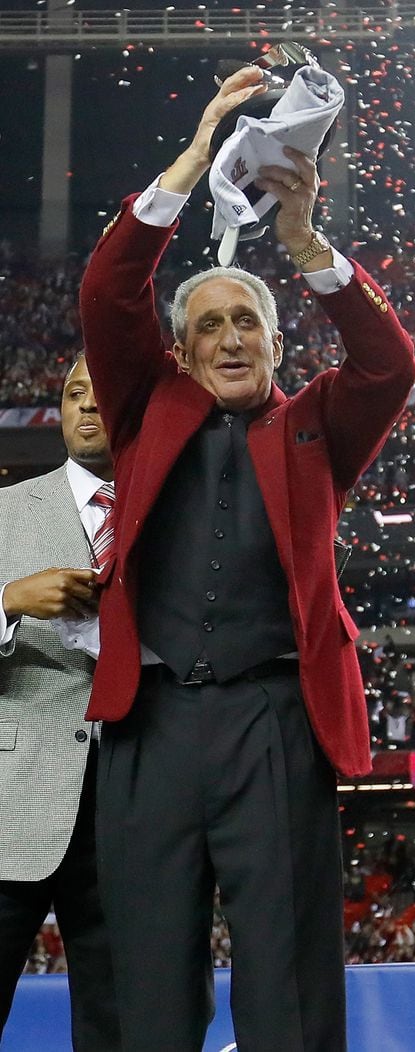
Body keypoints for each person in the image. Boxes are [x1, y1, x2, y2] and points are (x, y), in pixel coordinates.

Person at [79, 65, 415, 1051]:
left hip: (276, 720)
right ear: (179, 350)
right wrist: (196, 152)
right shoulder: (146, 405)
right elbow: (110, 287)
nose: (230, 336)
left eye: (248, 322)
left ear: (276, 342)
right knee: (149, 969)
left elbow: (387, 364)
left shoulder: (317, 423)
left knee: (290, 971)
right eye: (209, 324)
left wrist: (306, 243)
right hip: (149, 722)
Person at [0, 354, 121, 1049]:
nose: (86, 407)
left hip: (131, 810)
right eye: (76, 393)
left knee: (117, 1027)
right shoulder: (8, 511)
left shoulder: (176, 513)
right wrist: (9, 601)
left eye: (103, 395)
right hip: (12, 806)